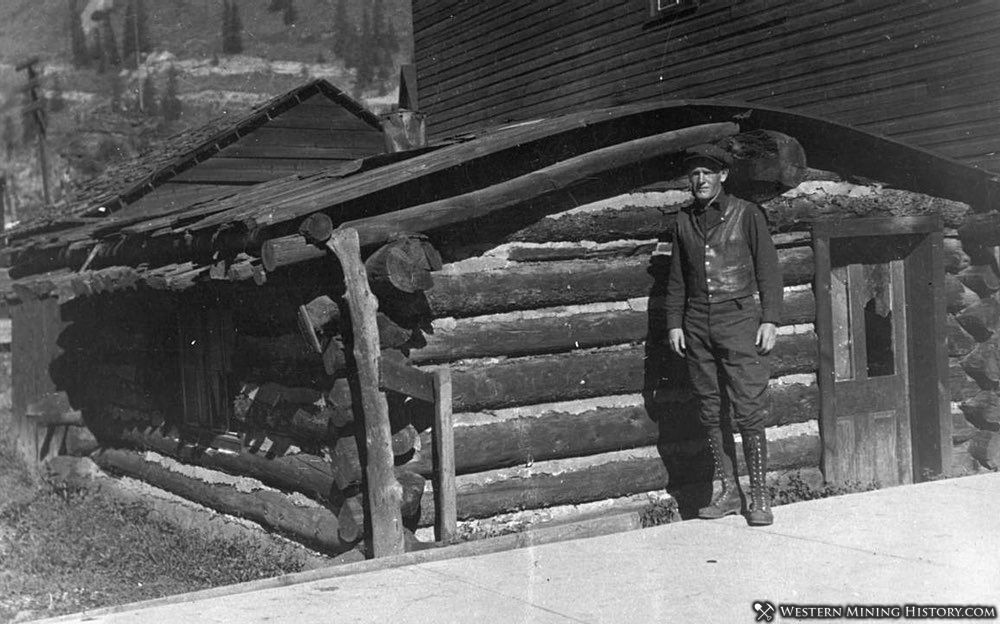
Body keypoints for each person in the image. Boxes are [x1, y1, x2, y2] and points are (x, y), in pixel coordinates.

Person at [664, 144, 782, 526]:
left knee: (748, 407)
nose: (699, 180)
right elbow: (677, 277)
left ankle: (760, 497)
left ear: (723, 177)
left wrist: (770, 319)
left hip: (739, 320)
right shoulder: (683, 220)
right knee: (710, 409)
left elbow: (768, 269)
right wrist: (674, 323)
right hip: (697, 324)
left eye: (707, 173)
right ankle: (729, 492)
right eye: (694, 174)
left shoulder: (746, 214)